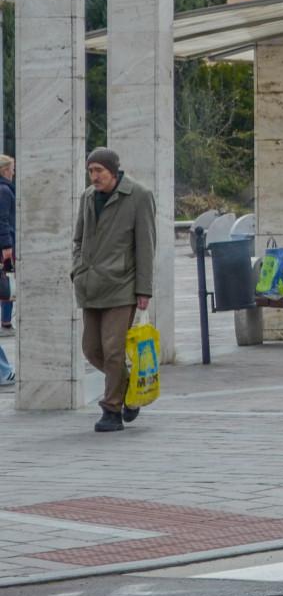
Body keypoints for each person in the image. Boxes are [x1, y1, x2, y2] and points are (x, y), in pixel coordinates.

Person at [69, 148, 156, 432]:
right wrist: (77, 270)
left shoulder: (138, 196)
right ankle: (130, 387)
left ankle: (111, 409)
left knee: (113, 349)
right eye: (90, 171)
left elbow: (146, 245)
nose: (94, 177)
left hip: (122, 285)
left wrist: (144, 289)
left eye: (99, 171)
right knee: (92, 349)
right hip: (90, 285)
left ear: (113, 171)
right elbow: (78, 239)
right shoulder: (87, 197)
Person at [0, 153, 15, 334]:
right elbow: (2, 219)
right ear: (4, 170)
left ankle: (6, 321)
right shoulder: (4, 190)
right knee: (7, 279)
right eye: (12, 169)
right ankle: (5, 322)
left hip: (5, 241)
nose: (13, 173)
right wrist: (7, 246)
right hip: (5, 243)